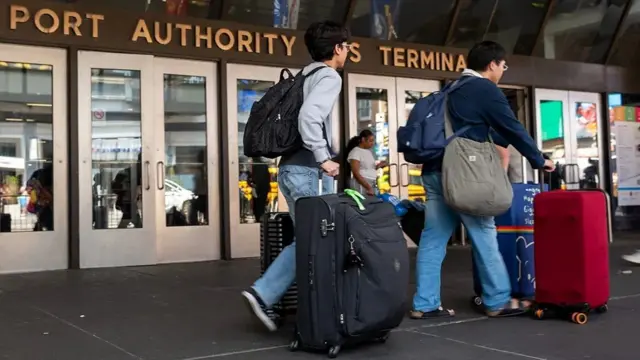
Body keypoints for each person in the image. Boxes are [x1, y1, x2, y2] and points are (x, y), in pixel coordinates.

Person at [411, 41, 555, 320]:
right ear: (492, 65)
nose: (503, 70)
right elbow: (510, 127)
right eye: (503, 65)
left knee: (433, 238)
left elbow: (486, 131)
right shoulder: (484, 89)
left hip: (434, 170)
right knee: (484, 231)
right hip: (462, 174)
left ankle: (424, 303)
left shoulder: (451, 89)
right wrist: (539, 159)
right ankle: (497, 299)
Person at [241, 21, 349, 331]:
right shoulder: (328, 76)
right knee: (313, 238)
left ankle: (312, 306)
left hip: (291, 168)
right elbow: (309, 117)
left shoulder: (306, 73)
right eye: (347, 45)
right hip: (307, 170)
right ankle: (264, 294)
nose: (348, 51)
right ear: (338, 48)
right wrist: (323, 158)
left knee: (312, 238)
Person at [345, 129, 385, 195]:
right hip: (362, 184)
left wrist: (379, 166)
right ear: (363, 139)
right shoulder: (355, 152)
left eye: (373, 141)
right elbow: (356, 173)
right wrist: (368, 187)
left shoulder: (368, 152)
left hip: (371, 183)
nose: (372, 143)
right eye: (370, 141)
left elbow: (368, 168)